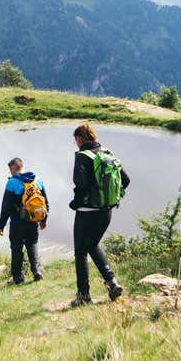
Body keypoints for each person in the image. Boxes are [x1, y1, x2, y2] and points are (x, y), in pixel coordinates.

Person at [70, 123, 127, 307]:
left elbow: (81, 185)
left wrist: (76, 203)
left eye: (75, 139)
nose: (75, 143)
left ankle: (84, 295)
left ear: (79, 138)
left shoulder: (82, 156)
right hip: (106, 211)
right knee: (92, 245)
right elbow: (125, 180)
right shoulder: (107, 153)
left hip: (86, 213)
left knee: (80, 252)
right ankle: (112, 283)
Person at [0, 157, 48, 286]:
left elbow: (6, 207)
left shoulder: (12, 182)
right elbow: (45, 201)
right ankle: (37, 272)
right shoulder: (37, 180)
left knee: (16, 248)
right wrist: (43, 220)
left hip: (18, 221)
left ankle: (18, 277)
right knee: (32, 244)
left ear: (14, 168)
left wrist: (1, 225)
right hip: (33, 220)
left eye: (10, 169)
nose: (10, 172)